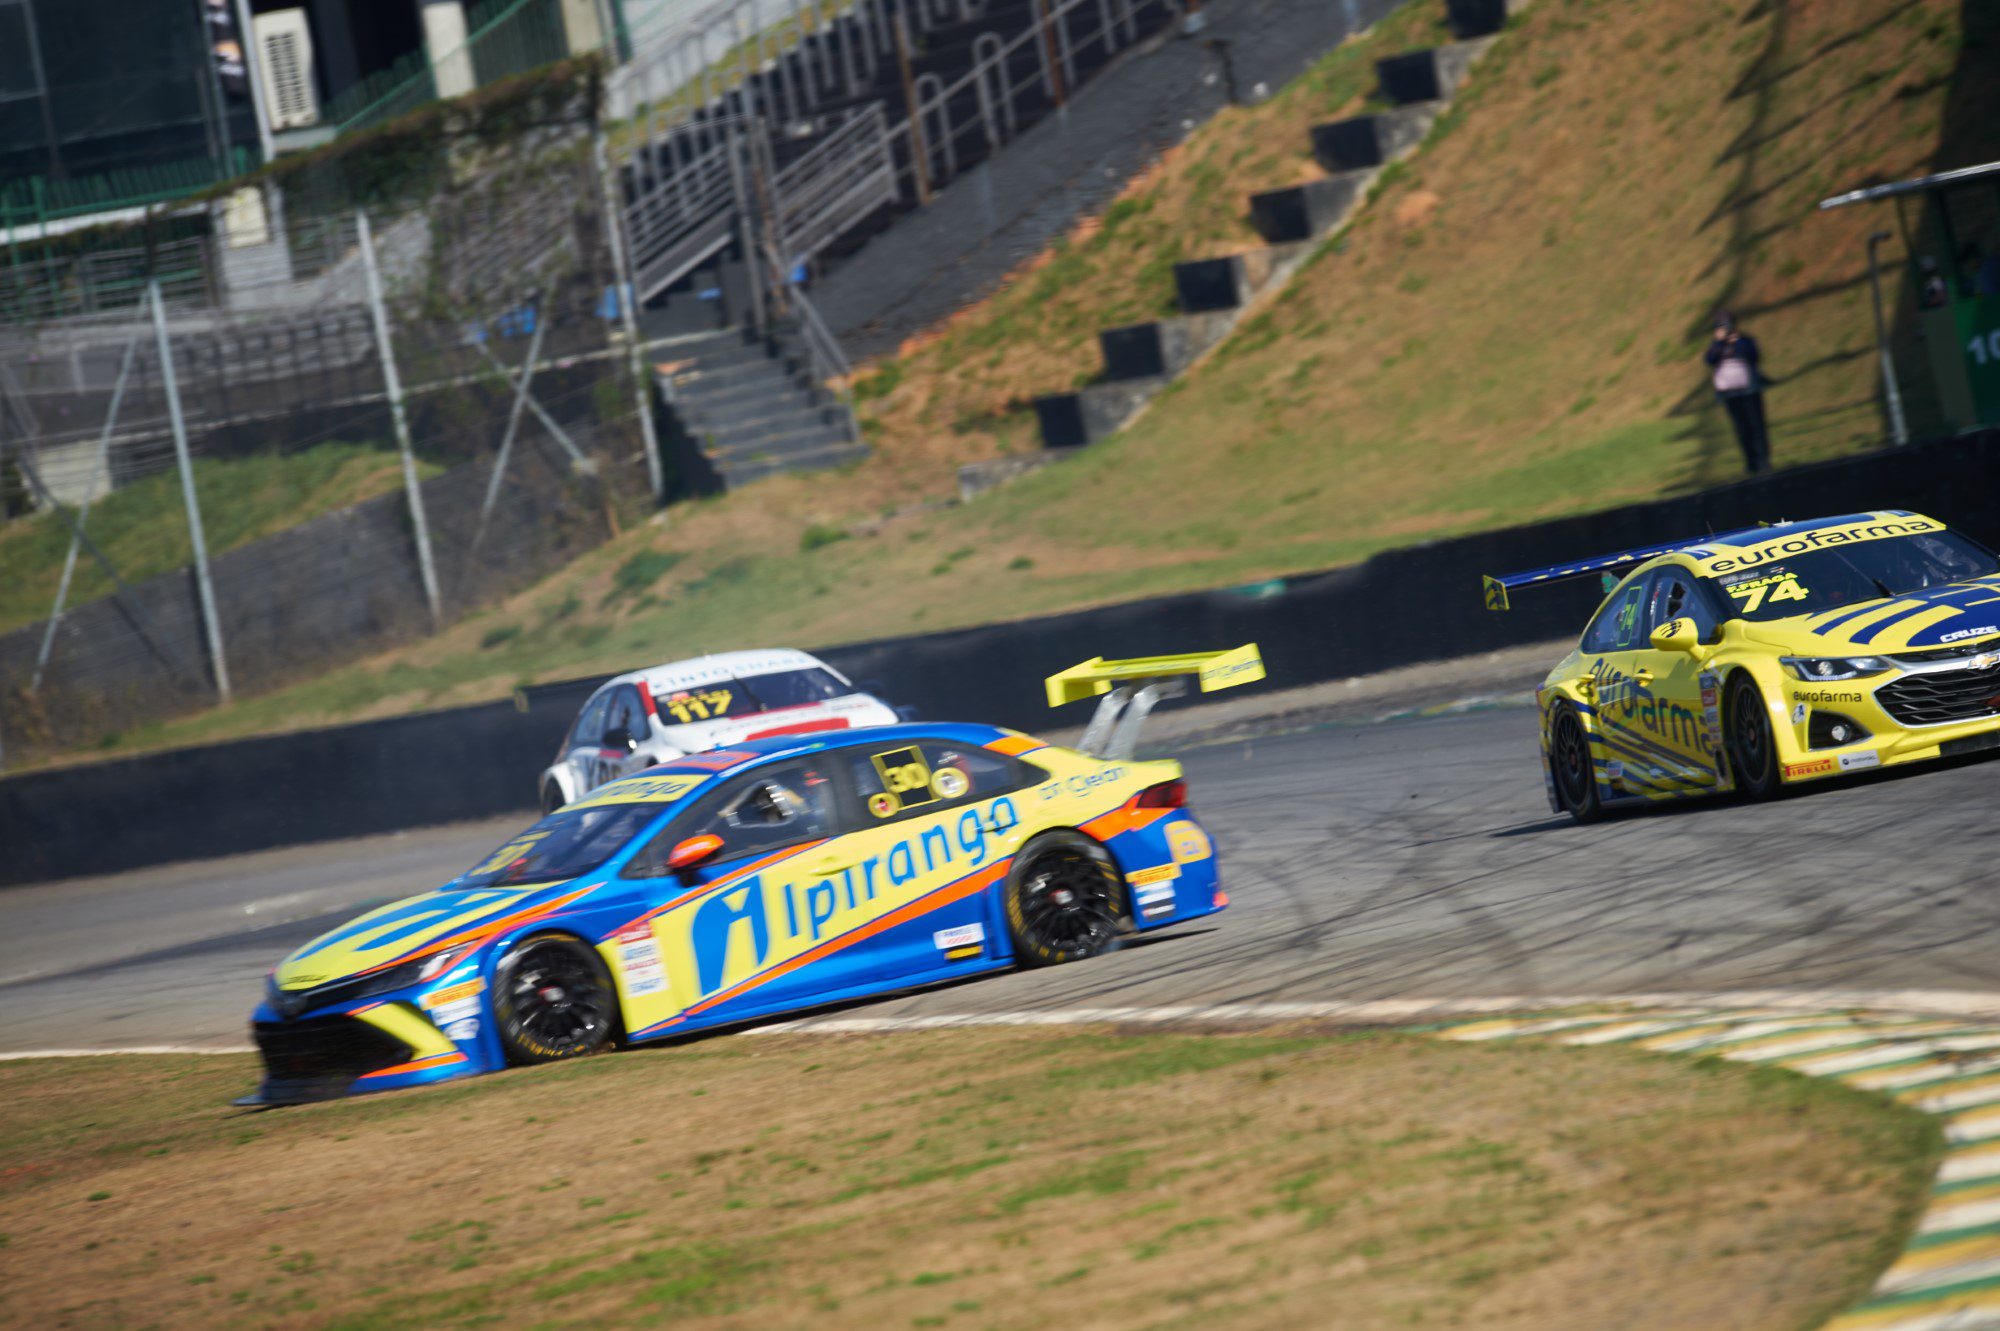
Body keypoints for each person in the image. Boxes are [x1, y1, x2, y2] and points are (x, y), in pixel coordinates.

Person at [1705, 312, 1769, 474]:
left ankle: (1764, 462)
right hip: (1730, 394)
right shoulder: (1717, 346)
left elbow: (1754, 356)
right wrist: (1719, 343)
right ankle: (1750, 464)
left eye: (1727, 326)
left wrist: (1737, 341)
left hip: (1749, 390)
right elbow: (1709, 360)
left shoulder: (1745, 341)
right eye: (1721, 327)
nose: (1725, 330)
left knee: (1757, 426)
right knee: (1741, 429)